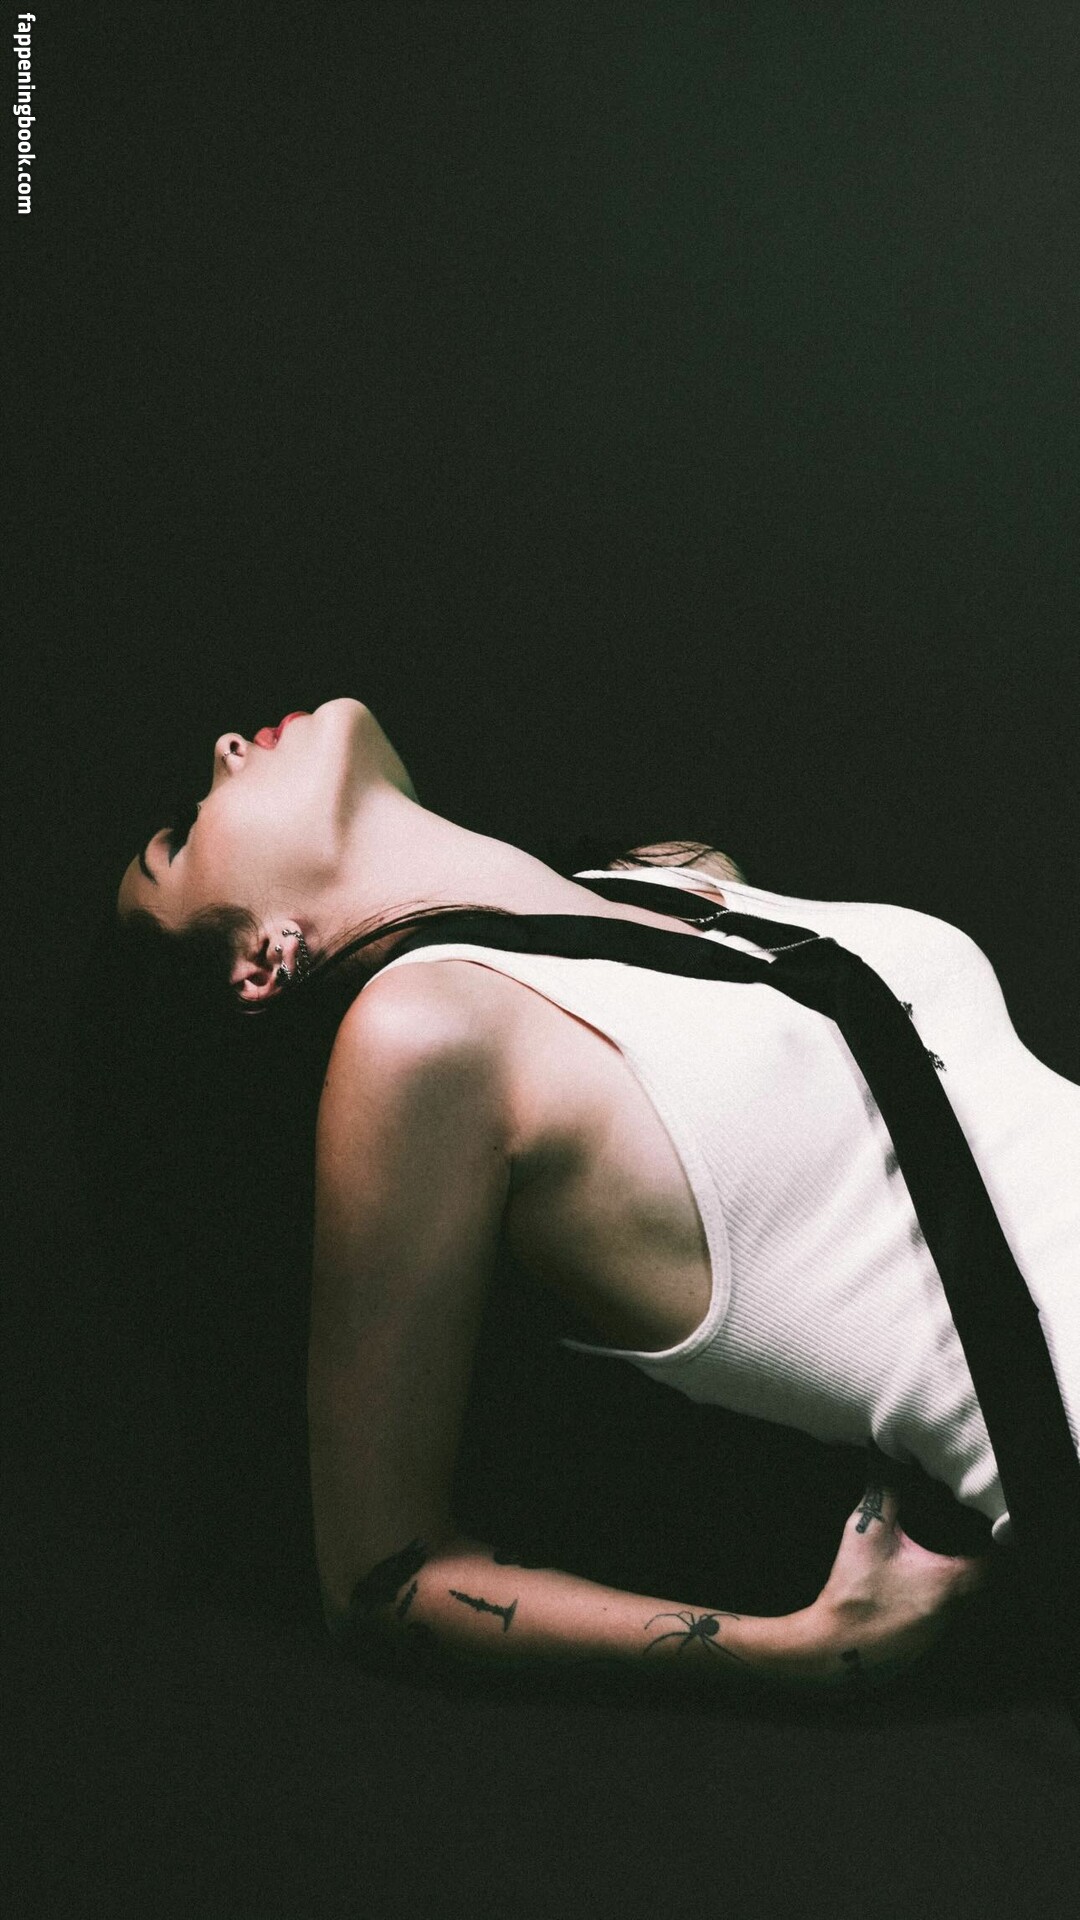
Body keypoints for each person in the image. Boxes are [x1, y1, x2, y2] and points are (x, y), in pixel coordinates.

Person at [116, 696, 1079, 1698]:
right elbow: (378, 1584)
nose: (226, 744)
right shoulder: (425, 1035)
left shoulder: (668, 880)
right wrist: (798, 1650)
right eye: (179, 841)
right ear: (262, 960)